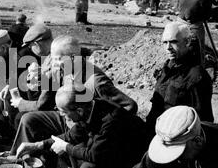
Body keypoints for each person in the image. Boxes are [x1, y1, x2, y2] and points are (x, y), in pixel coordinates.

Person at [16, 83, 150, 168]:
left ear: (79, 111)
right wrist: (37, 145)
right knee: (77, 161)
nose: (61, 115)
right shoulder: (89, 108)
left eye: (63, 111)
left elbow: (94, 156)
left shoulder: (110, 120)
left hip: (134, 158)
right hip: (110, 149)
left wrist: (66, 147)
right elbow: (72, 136)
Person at [10, 35, 138, 160]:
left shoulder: (96, 81)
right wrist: (36, 80)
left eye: (57, 59)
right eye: (53, 58)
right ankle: (24, 161)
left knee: (82, 164)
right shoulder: (64, 70)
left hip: (85, 129)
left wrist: (103, 131)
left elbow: (129, 106)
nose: (54, 63)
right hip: (68, 118)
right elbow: (45, 99)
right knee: (29, 119)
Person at [146, 22, 214, 134]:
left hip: (174, 136)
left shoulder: (196, 76)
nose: (168, 47)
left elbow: (201, 121)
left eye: (173, 42)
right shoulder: (169, 67)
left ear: (187, 42)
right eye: (165, 42)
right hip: (154, 129)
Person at [175, 0, 213, 64]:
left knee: (179, 47)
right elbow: (207, 16)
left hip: (179, 24)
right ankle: (200, 67)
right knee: (199, 50)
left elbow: (177, 8)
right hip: (194, 27)